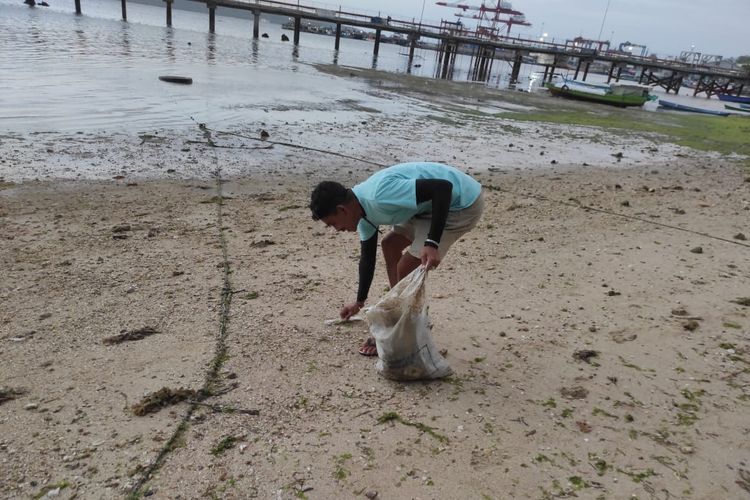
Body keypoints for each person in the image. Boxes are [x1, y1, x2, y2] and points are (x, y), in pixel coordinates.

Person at [309, 162, 484, 356]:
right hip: (427, 207)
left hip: (461, 203)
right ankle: (400, 313)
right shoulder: (362, 212)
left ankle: (402, 324)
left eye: (333, 224)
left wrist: (432, 242)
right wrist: (359, 301)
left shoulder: (379, 196)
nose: (337, 230)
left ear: (343, 210)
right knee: (389, 246)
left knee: (405, 267)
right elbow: (367, 258)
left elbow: (443, 188)